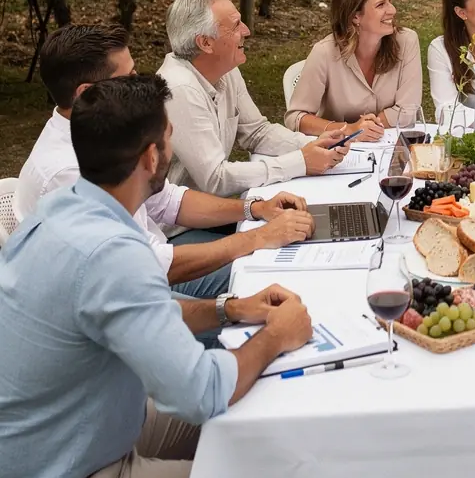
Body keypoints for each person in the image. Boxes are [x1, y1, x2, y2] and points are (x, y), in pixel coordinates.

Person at [0, 74, 314, 478]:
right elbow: (204, 390)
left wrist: (230, 309)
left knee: (268, 420)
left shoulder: (64, 205)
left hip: (82, 422)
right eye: (170, 135)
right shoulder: (112, 252)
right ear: (151, 157)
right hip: (70, 475)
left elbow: (147, 310)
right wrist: (276, 335)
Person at [14, 25, 315, 300]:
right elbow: (148, 268)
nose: (139, 84)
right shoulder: (67, 172)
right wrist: (257, 238)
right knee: (273, 276)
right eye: (129, 78)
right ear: (86, 94)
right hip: (129, 293)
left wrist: (254, 208)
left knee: (278, 262)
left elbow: (166, 200)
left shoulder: (102, 132)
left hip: (150, 266)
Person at [158, 0, 348, 199]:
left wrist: (314, 144)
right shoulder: (179, 89)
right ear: (205, 43)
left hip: (213, 211)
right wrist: (301, 162)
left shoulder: (226, 71)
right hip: (180, 228)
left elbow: (257, 132)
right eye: (236, 25)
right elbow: (215, 179)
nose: (247, 31)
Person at [286, 0, 422, 136]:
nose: (392, 10)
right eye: (380, 5)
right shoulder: (324, 53)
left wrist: (369, 128)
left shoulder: (406, 41)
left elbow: (409, 110)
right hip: (338, 150)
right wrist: (350, 130)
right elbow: (296, 118)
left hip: (391, 147)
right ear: (355, 16)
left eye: (390, 1)